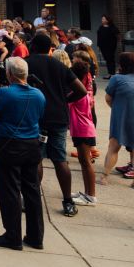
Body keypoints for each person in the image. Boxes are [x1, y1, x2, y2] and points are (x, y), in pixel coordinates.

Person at [0, 57, 47, 251]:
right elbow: (40, 115)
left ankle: (13, 235)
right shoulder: (39, 95)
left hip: (8, 143)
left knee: (10, 189)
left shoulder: (4, 93)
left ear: (9, 74)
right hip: (32, 144)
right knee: (32, 190)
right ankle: (36, 237)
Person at [25, 31, 87, 217]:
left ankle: (32, 199)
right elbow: (81, 90)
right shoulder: (59, 65)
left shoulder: (27, 63)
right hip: (59, 117)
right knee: (60, 159)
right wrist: (65, 100)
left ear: (33, 46)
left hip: (36, 117)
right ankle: (68, 201)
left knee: (36, 158)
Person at [100, 52, 134, 190]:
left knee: (114, 147)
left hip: (121, 116)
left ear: (122, 64)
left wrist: (117, 109)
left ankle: (105, 177)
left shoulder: (117, 79)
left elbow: (108, 98)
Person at [66, 53, 99, 207]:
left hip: (83, 130)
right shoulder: (84, 91)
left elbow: (65, 99)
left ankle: (91, 196)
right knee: (83, 162)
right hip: (83, 129)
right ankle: (86, 193)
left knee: (86, 162)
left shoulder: (79, 94)